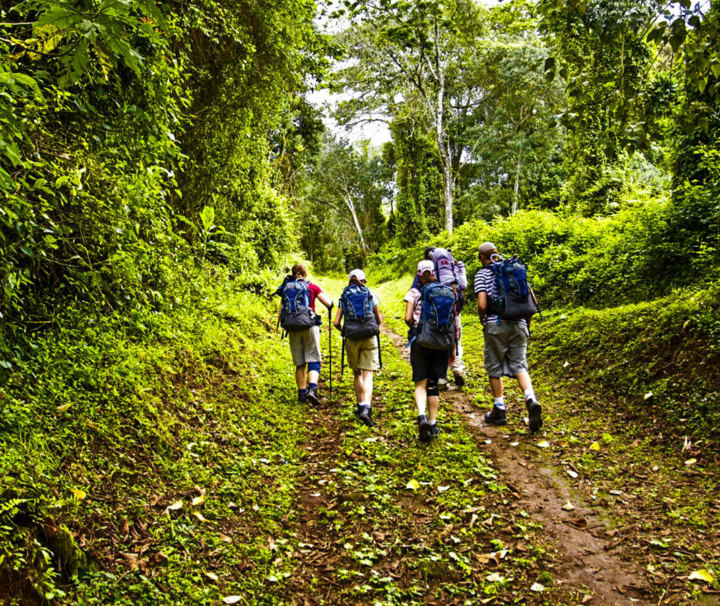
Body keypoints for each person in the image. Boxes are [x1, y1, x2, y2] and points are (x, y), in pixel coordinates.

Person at [474, 242, 543, 432]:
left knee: (494, 365)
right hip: (520, 323)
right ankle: (531, 399)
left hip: (496, 324)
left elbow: (482, 304)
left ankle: (499, 409)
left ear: (482, 257)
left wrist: (484, 321)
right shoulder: (514, 269)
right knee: (520, 365)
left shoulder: (483, 274)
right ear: (496, 254)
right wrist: (526, 325)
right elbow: (532, 300)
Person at [404, 260, 456, 443]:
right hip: (442, 343)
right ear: (435, 273)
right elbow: (453, 323)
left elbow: (407, 318)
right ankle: (433, 423)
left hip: (421, 341)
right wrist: (453, 349)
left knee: (420, 382)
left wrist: (417, 328)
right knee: (433, 384)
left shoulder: (414, 292)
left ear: (419, 274)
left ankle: (421, 416)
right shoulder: (446, 292)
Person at [409, 247, 467, 387]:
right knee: (454, 338)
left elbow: (415, 290)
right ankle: (458, 368)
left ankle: (441, 378)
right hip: (452, 309)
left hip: (430, 314)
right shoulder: (452, 265)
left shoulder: (424, 270)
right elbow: (463, 285)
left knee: (438, 340)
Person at [277, 264, 333, 405]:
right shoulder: (311, 287)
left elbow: (280, 315)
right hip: (310, 326)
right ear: (305, 274)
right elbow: (328, 303)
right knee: (313, 358)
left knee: (300, 363)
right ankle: (312, 389)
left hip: (293, 328)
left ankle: (302, 394)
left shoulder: (286, 288)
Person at [333, 269, 383, 427]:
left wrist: (345, 332)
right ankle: (366, 408)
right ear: (364, 281)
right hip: (369, 336)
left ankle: (360, 404)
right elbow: (378, 319)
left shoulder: (345, 296)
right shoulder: (370, 294)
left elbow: (336, 323)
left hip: (352, 337)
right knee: (368, 374)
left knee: (357, 374)